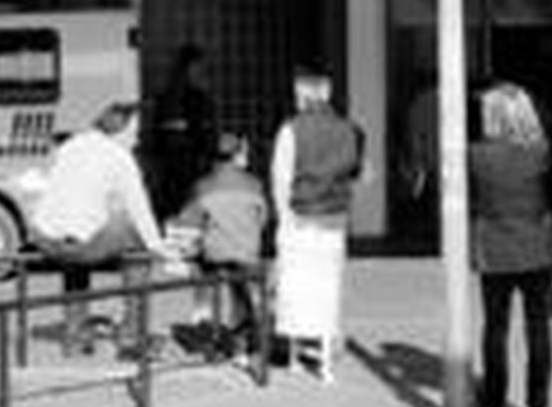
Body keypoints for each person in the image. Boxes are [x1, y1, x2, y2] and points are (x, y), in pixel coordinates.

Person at [32, 100, 175, 358]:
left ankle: (75, 336)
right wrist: (159, 248)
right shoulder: (119, 156)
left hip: (45, 236)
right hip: (80, 244)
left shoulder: (70, 146)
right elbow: (138, 207)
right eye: (135, 131)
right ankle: (132, 335)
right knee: (136, 239)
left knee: (76, 243)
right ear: (121, 129)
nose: (138, 138)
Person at [469, 82, 552, 407]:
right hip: (538, 246)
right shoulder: (540, 150)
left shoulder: (477, 154)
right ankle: (537, 405)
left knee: (496, 326)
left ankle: (494, 399)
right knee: (539, 326)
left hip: (495, 249)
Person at [270, 67, 364, 381]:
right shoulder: (348, 129)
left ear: (306, 95)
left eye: (298, 94)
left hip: (301, 215)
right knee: (326, 287)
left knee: (297, 288)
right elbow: (356, 173)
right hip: (334, 218)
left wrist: (282, 218)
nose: (296, 100)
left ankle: (296, 352)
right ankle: (324, 355)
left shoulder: (291, 129)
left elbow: (281, 177)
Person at [169, 132, 269, 362]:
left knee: (201, 269)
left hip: (215, 255)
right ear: (237, 156)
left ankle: (203, 324)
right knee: (241, 280)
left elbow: (189, 222)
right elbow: (263, 219)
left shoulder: (203, 186)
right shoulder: (255, 185)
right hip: (247, 255)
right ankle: (241, 336)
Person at [148, 43, 219, 220]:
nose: (202, 72)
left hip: (169, 175)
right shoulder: (198, 99)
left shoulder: (165, 98)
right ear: (188, 68)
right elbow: (206, 137)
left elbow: (158, 138)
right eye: (198, 67)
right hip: (190, 173)